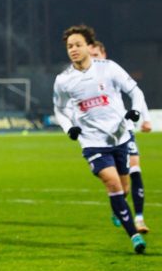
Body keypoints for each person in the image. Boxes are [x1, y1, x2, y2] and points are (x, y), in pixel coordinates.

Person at [54, 25, 150, 250]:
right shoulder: (64, 80)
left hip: (120, 138)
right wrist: (69, 128)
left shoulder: (109, 69)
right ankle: (134, 236)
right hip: (92, 142)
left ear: (89, 46)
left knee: (123, 187)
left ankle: (119, 208)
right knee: (112, 182)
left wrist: (136, 111)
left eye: (78, 45)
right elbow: (59, 109)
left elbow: (135, 91)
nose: (74, 50)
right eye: (69, 46)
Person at [90, 41, 151, 232]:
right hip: (102, 138)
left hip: (125, 131)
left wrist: (145, 119)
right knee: (120, 186)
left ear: (104, 53)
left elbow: (135, 92)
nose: (93, 60)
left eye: (96, 55)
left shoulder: (112, 71)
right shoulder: (85, 80)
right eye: (90, 56)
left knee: (135, 169)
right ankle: (118, 206)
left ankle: (139, 218)